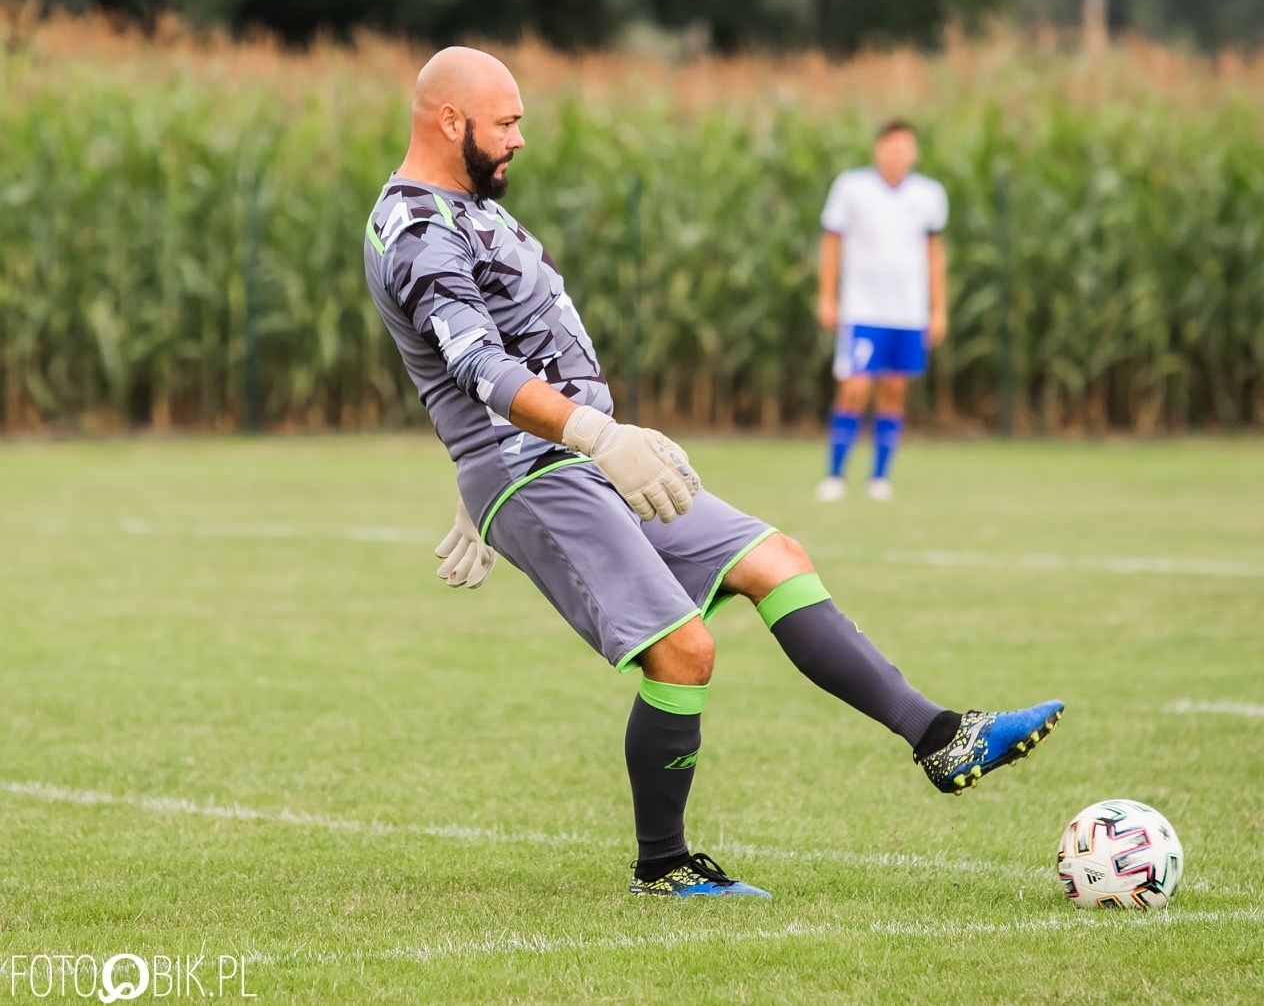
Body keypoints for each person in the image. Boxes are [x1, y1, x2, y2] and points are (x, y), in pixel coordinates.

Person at [364, 48, 1062, 899]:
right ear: (450, 120)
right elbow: (477, 365)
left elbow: (481, 356)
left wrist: (565, 444)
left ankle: (942, 736)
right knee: (684, 651)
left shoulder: (468, 207)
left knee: (777, 561)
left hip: (575, 451)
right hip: (542, 468)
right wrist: (554, 450)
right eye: (505, 122)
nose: (519, 138)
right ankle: (662, 864)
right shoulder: (418, 226)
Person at [815, 121, 948, 502]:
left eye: (905, 147)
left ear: (914, 153)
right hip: (863, 309)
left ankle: (879, 478)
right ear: (878, 149)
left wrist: (938, 308)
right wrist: (827, 296)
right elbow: (831, 243)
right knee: (855, 387)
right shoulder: (852, 188)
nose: (897, 154)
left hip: (908, 312)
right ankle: (835, 475)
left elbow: (934, 253)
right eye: (891, 146)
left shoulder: (929, 194)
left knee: (894, 388)